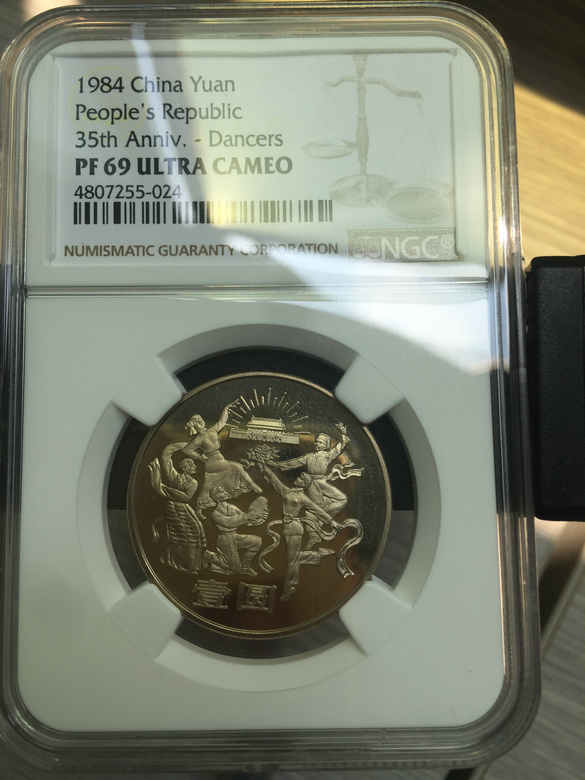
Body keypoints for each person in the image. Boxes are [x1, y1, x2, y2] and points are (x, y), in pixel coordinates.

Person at [259, 464, 335, 601]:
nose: (298, 478)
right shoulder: (286, 491)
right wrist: (263, 467)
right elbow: (274, 480)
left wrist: (331, 522)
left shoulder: (303, 498)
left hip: (295, 528)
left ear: (304, 483)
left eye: (301, 478)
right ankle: (317, 555)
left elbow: (317, 510)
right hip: (287, 527)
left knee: (291, 560)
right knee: (291, 558)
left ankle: (289, 587)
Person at [271, 424, 350, 546]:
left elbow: (338, 449)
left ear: (325, 445)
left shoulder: (328, 455)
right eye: (316, 441)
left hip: (321, 482)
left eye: (320, 442)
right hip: (308, 483)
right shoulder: (308, 456)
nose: (317, 444)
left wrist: (343, 435)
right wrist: (277, 465)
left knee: (343, 499)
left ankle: (321, 516)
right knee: (310, 507)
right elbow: (294, 463)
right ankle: (314, 534)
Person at [173, 403, 262, 509]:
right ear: (194, 425)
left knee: (226, 473)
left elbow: (222, 422)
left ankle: (202, 506)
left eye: (201, 419)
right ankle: (253, 486)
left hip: (219, 459)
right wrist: (200, 457)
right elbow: (186, 450)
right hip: (212, 462)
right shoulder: (198, 439)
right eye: (197, 421)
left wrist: (225, 410)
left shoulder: (212, 430)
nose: (200, 421)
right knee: (236, 466)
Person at [148, 454, 206, 573]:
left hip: (183, 507)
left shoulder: (194, 482)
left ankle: (192, 564)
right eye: (191, 465)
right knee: (181, 532)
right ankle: (179, 563)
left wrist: (163, 488)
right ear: (185, 467)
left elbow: (186, 498)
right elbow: (166, 459)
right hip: (172, 508)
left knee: (197, 528)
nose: (195, 467)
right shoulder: (176, 477)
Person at [206, 486, 268, 575]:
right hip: (225, 539)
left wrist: (259, 518)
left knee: (256, 542)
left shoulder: (232, 508)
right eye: (222, 492)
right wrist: (247, 516)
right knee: (234, 569)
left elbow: (247, 521)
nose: (225, 492)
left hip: (235, 536)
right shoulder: (215, 514)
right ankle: (211, 556)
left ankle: (245, 568)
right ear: (217, 496)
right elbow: (229, 523)